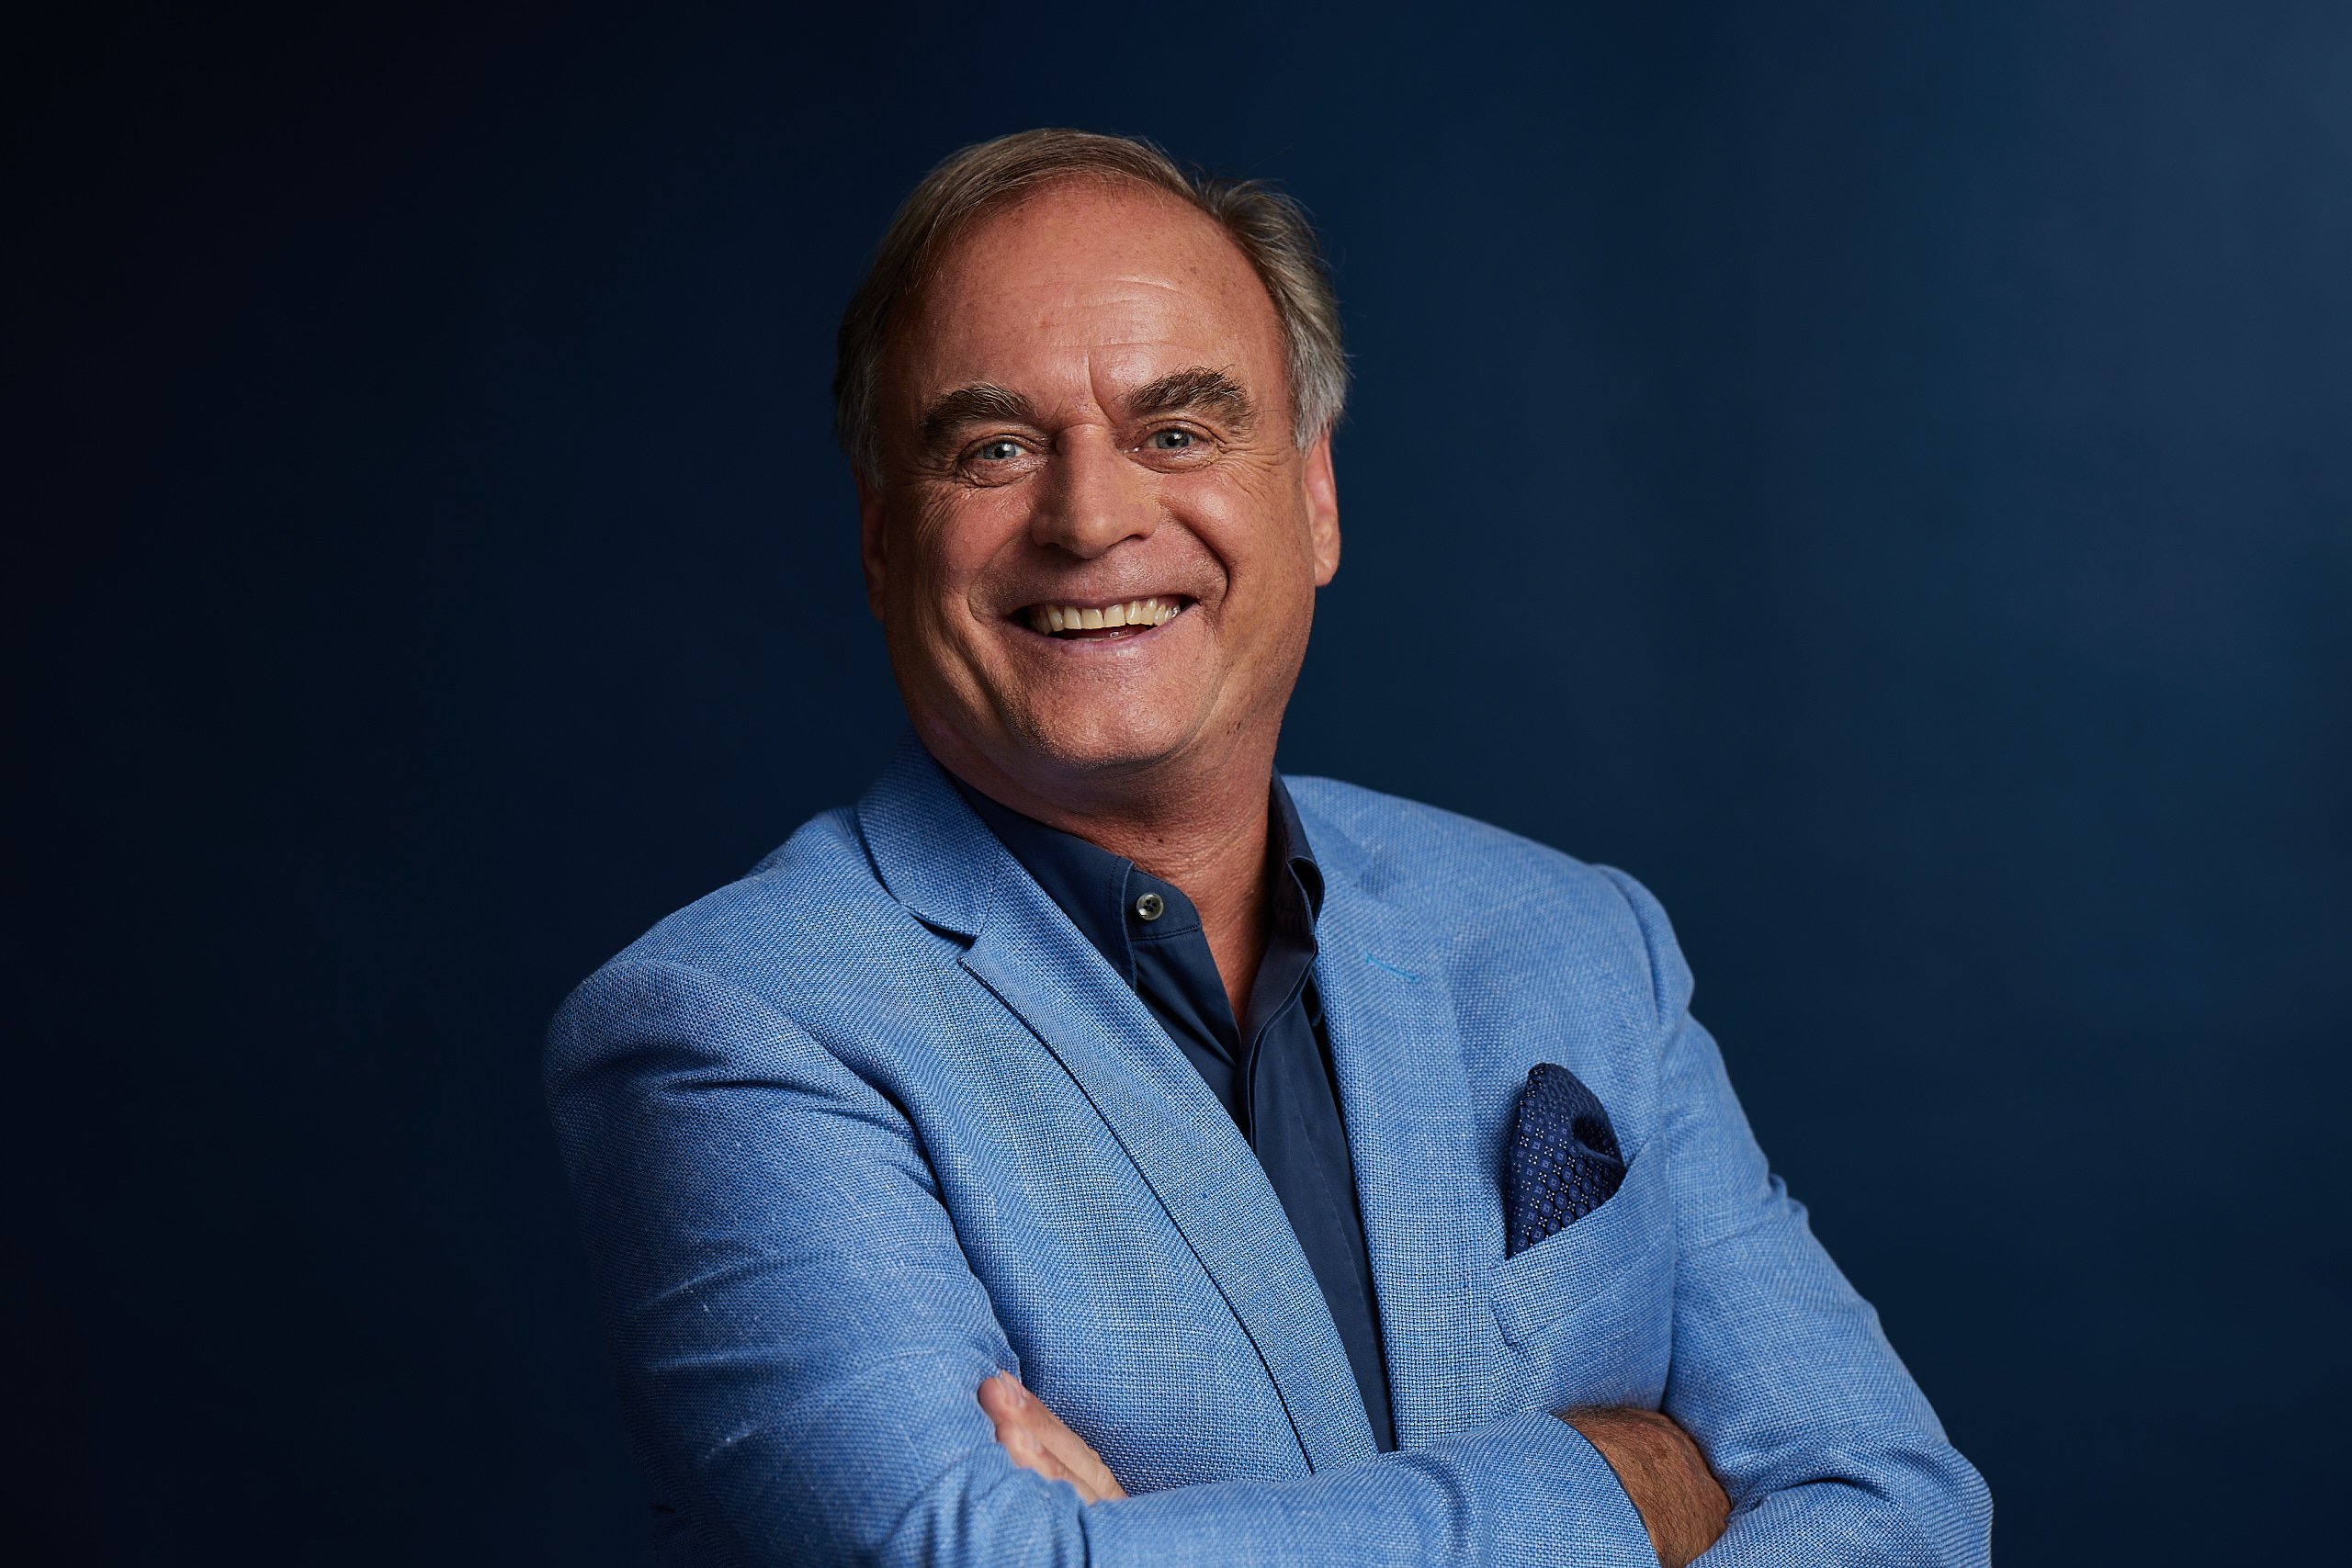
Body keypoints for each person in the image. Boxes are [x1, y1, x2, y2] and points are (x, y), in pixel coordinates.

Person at [545, 128, 1991, 1567]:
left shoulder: (1580, 943)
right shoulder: (729, 1028)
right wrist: (1621, 1485)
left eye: (1177, 432)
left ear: (1315, 499)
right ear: (880, 544)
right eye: (995, 450)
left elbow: (1903, 1518)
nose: (1091, 518)